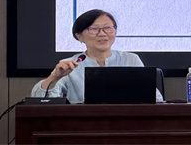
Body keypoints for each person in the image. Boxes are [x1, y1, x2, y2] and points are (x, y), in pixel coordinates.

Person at [31, 9, 162, 103]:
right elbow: (41, 101)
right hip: (83, 126)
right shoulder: (69, 64)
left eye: (108, 28)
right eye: (94, 29)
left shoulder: (130, 59)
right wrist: (54, 77)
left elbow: (156, 99)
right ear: (79, 36)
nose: (102, 34)